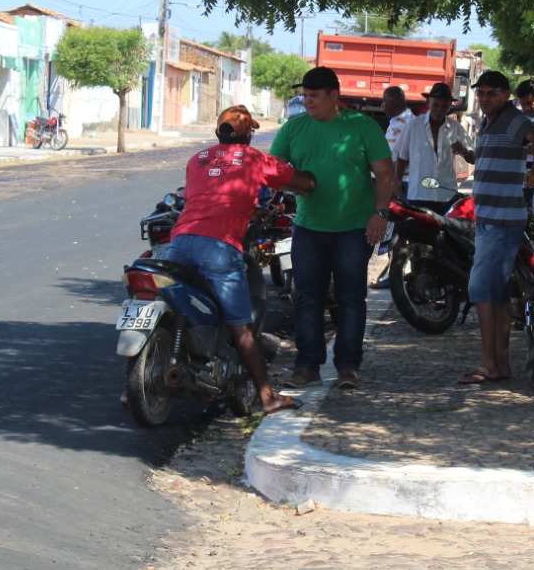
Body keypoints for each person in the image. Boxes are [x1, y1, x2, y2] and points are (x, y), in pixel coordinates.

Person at [160, 105, 317, 414]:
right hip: (219, 246)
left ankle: (134, 388)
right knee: (240, 327)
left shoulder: (197, 160)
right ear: (248, 136)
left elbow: (210, 199)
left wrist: (248, 212)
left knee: (175, 307)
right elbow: (306, 184)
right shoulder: (255, 159)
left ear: (217, 132)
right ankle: (267, 397)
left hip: (180, 242)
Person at [270, 66, 395, 390]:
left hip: (353, 228)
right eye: (305, 96)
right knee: (307, 298)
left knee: (350, 297)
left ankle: (348, 367)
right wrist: (288, 184)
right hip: (309, 227)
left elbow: (385, 172)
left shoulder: (362, 126)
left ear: (334, 96)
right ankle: (307, 367)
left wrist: (380, 213)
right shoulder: (294, 128)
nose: (308, 102)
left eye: (314, 96)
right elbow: (274, 170)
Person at [450, 70, 534, 385]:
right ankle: (499, 364)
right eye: (481, 93)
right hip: (490, 219)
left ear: (506, 94)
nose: (484, 98)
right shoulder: (488, 123)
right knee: (497, 294)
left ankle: (489, 364)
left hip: (502, 220)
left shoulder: (512, 119)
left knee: (481, 290)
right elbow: (489, 159)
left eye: (491, 93)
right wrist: (466, 153)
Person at [394, 81, 470, 205]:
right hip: (418, 195)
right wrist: (396, 186)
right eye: (436, 105)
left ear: (449, 107)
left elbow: (473, 158)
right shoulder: (413, 126)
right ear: (428, 103)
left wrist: (464, 151)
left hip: (446, 196)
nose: (440, 110)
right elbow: (402, 157)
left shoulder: (455, 127)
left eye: (444, 106)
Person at [371, 86, 412, 289]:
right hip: (395, 181)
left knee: (397, 231)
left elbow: (403, 156)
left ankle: (396, 276)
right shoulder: (397, 121)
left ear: (394, 103)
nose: (382, 105)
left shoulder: (407, 122)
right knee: (393, 230)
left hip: (401, 183)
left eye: (384, 101)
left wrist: (394, 184)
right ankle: (393, 272)